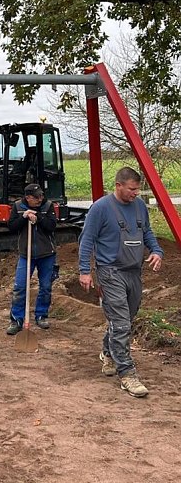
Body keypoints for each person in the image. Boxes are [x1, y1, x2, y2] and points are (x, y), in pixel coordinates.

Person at [79, 166, 163, 398]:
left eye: (138, 189)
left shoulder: (139, 207)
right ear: (118, 185)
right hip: (110, 272)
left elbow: (147, 232)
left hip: (133, 272)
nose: (136, 193)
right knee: (121, 322)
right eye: (132, 189)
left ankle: (108, 353)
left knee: (127, 317)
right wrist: (85, 271)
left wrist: (156, 250)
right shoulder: (100, 209)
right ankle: (127, 374)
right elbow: (87, 240)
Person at [6, 183, 57, 334]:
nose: (40, 199)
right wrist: (23, 217)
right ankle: (16, 320)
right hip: (25, 254)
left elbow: (51, 226)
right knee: (20, 287)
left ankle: (41, 315)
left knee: (46, 287)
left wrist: (38, 217)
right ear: (28, 197)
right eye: (36, 197)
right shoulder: (17, 206)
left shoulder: (48, 206)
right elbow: (12, 226)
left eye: (41, 195)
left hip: (46, 254)